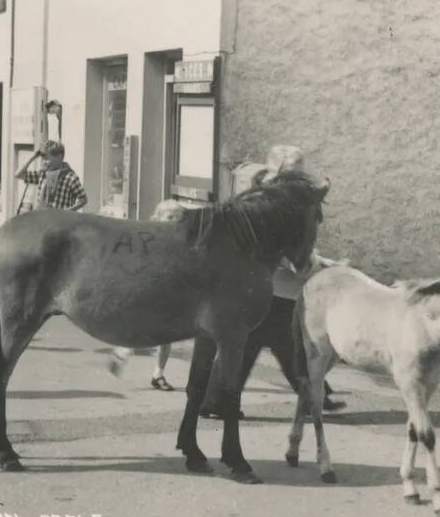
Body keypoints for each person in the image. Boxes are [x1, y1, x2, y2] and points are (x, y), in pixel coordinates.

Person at [200, 145, 346, 420]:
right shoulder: (269, 202)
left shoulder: (270, 197)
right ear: (279, 171)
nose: (301, 179)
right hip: (265, 287)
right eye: (296, 172)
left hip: (269, 287)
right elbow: (276, 248)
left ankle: (216, 401)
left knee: (273, 343)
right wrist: (317, 267)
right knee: (272, 343)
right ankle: (216, 401)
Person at [108, 199, 186, 391]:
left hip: (169, 292)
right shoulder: (150, 236)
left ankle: (158, 374)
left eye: (178, 217)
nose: (174, 221)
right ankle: (124, 348)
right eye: (170, 217)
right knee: (142, 325)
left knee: (167, 336)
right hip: (150, 290)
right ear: (158, 217)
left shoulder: (179, 238)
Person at [15, 140, 87, 211]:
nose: (44, 162)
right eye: (43, 159)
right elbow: (18, 174)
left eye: (47, 159)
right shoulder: (43, 174)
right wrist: (33, 157)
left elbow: (83, 199)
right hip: (43, 219)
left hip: (61, 221)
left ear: (59, 157)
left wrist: (67, 212)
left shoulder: (70, 177)